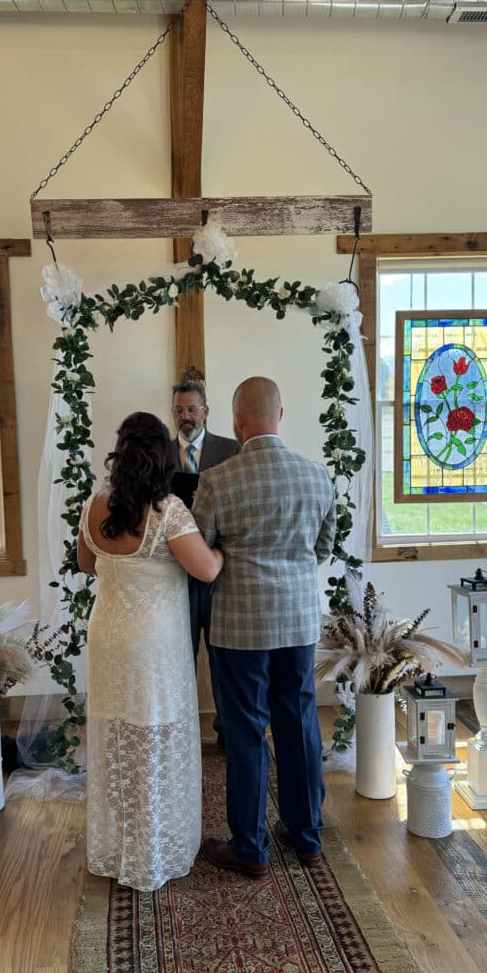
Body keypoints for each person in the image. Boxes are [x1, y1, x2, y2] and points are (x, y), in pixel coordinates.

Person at [192, 377, 337, 879]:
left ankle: (251, 847)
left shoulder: (217, 480)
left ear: (234, 420)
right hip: (298, 621)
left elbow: (203, 554)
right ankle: (307, 835)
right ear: (281, 415)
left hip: (238, 629)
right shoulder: (317, 476)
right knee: (298, 724)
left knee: (247, 732)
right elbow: (324, 549)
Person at [77, 412, 224, 891]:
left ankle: (117, 846)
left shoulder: (95, 505)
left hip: (107, 635)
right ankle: (156, 849)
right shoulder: (169, 512)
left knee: (117, 736)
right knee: (156, 737)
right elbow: (205, 570)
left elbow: (86, 561)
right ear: (162, 456)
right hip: (153, 643)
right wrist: (221, 551)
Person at [168, 381, 239, 748]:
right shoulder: (161, 454)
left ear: (206, 411)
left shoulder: (230, 450)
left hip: (219, 573)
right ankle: (181, 735)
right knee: (178, 657)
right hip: (173, 575)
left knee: (222, 659)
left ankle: (227, 731)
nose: (185, 417)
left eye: (192, 409)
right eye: (179, 410)